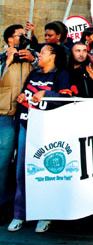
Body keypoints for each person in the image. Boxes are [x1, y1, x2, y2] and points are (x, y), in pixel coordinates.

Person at [8, 43, 71, 233]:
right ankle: (20, 213)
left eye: (43, 52)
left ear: (53, 56)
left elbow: (66, 98)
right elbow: (26, 94)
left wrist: (46, 94)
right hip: (27, 126)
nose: (39, 55)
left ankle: (45, 214)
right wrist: (22, 98)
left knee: (46, 172)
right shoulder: (34, 73)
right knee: (21, 171)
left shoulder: (61, 74)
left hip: (48, 128)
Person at [0, 26, 37, 222]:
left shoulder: (31, 58)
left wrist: (33, 59)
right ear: (9, 39)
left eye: (25, 35)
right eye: (20, 35)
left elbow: (45, 72)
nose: (24, 38)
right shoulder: (2, 58)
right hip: (5, 115)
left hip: (26, 116)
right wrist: (7, 61)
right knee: (3, 163)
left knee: (22, 165)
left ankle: (19, 207)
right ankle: (2, 205)